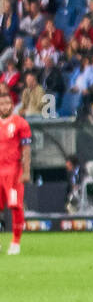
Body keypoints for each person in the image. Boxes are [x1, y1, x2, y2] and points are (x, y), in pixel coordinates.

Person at [0, 91, 32, 255]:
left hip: (13, 173)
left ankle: (15, 242)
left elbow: (26, 150)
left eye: (7, 104)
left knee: (15, 206)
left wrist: (26, 171)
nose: (5, 107)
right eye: (2, 104)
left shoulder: (20, 123)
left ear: (12, 105)